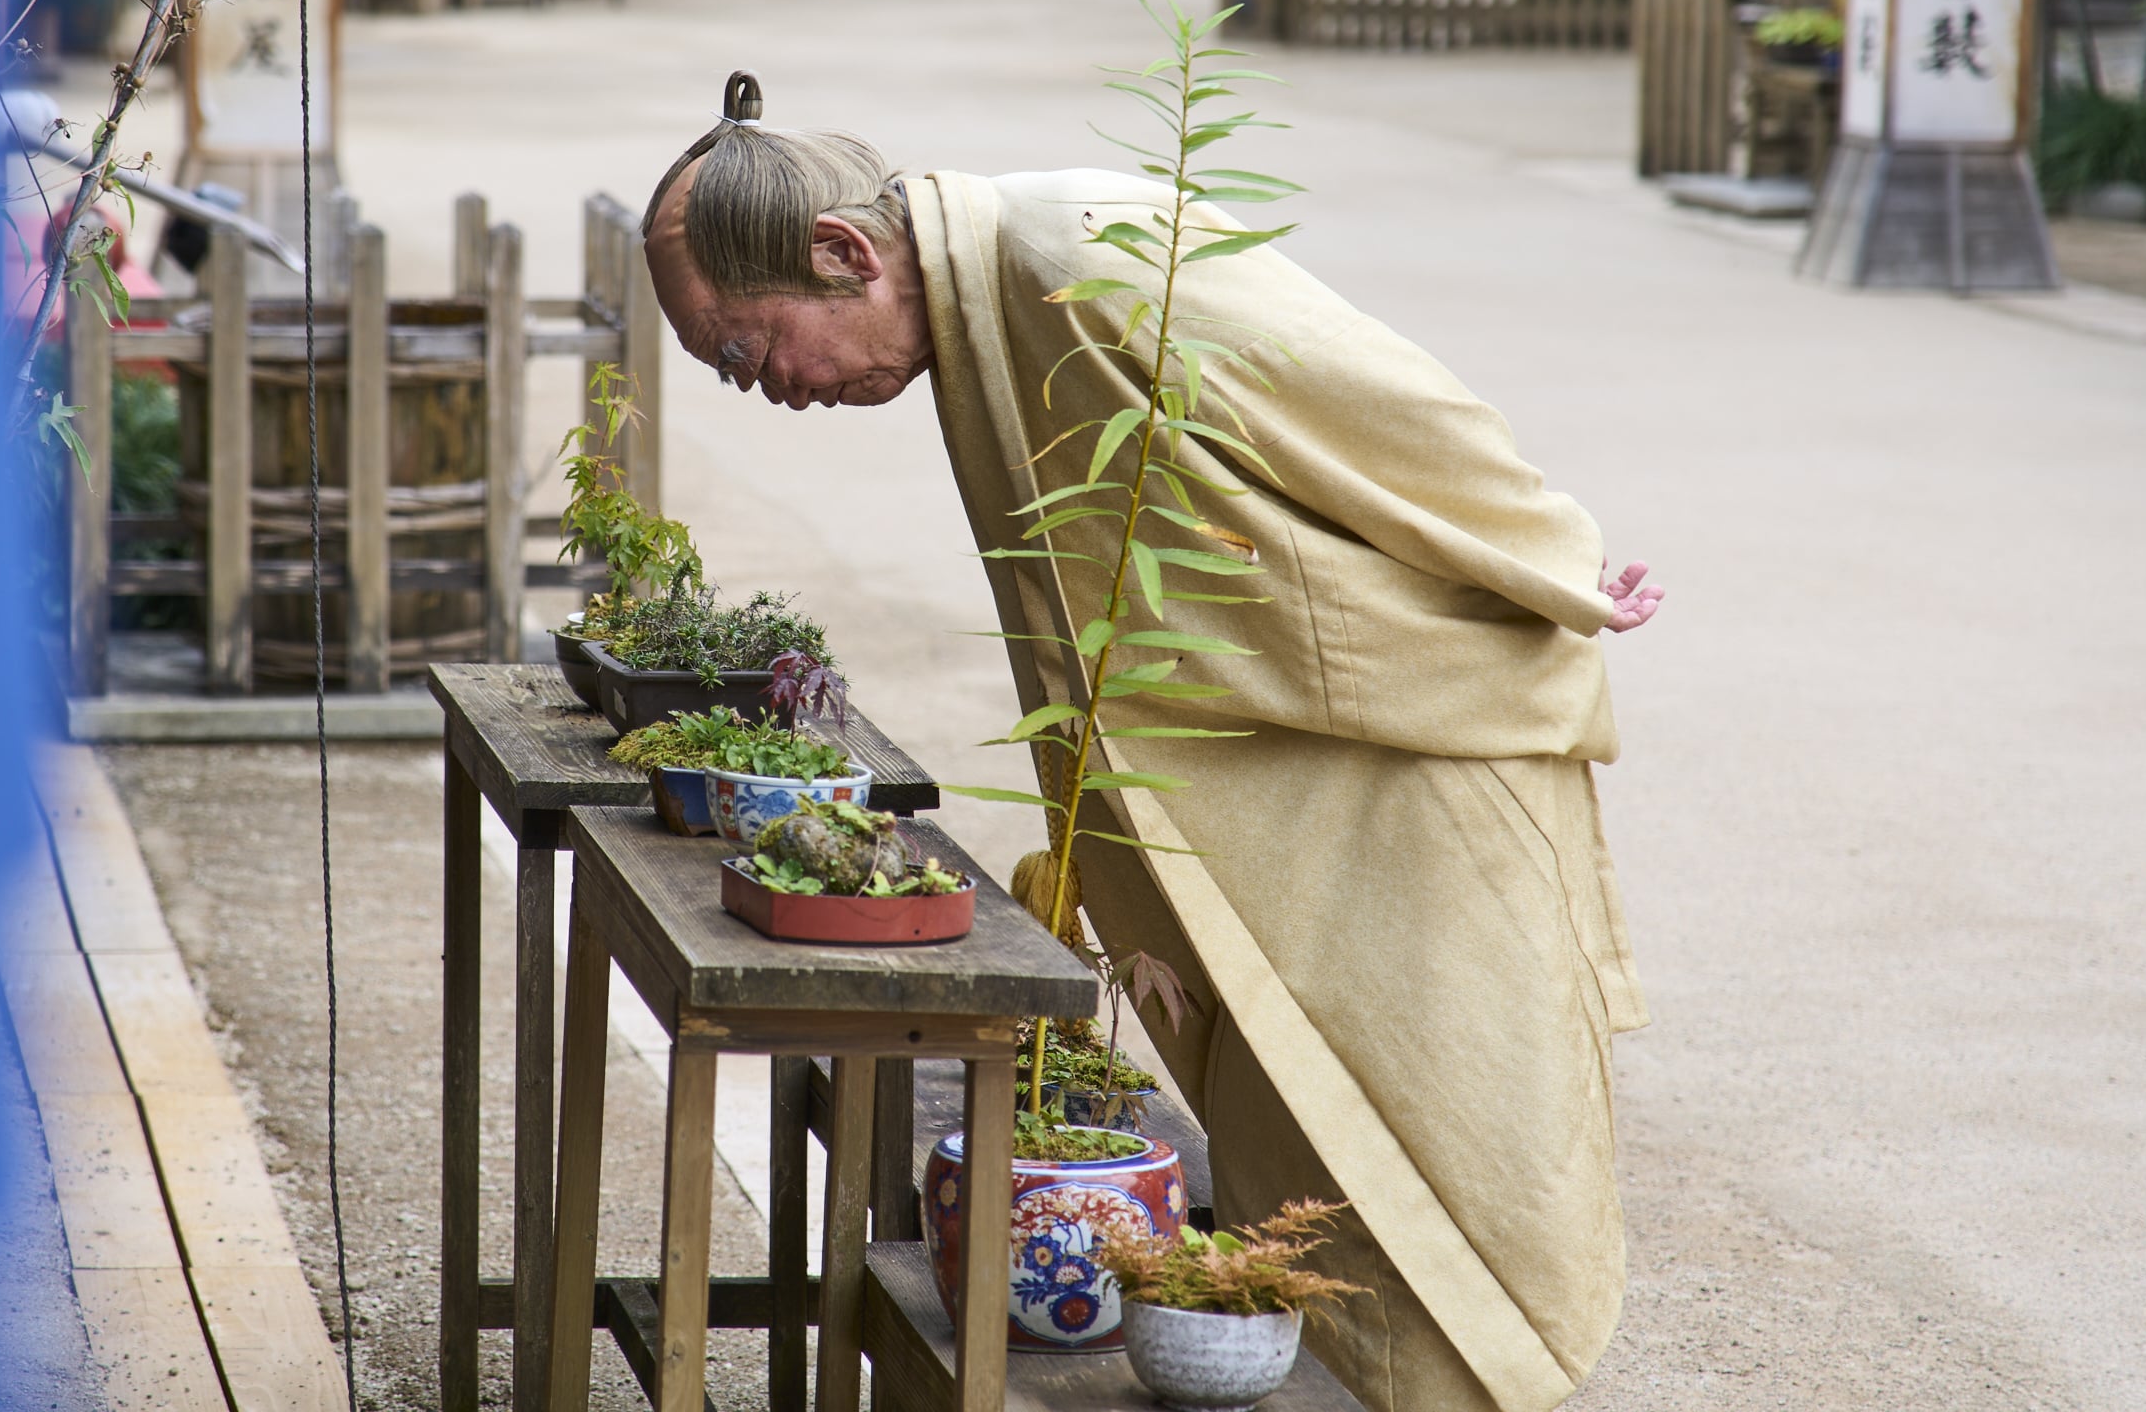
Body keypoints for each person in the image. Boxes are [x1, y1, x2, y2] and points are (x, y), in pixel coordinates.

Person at [641, 88, 1664, 1412]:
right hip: (1283, 756)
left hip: (1402, 739)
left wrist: (1541, 550)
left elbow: (1369, 393)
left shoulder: (1077, 250)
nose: (768, 390)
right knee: (1310, 1114)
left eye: (746, 349)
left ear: (844, 251)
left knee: (1453, 1099)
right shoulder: (983, 301)